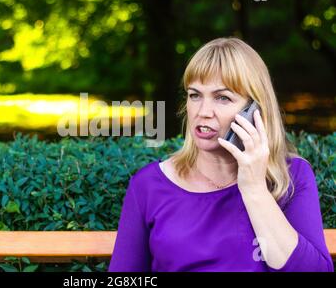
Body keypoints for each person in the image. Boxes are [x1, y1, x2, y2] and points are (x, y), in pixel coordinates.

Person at [108, 37, 334, 272]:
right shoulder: (148, 185)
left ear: (254, 111)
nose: (203, 112)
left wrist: (255, 189)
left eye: (222, 98)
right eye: (195, 95)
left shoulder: (290, 176)